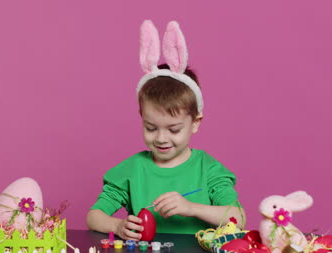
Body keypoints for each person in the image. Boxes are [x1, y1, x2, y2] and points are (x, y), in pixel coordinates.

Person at [86, 20, 245, 241]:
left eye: (174, 129)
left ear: (195, 123)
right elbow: (94, 216)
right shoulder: (133, 169)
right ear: (142, 118)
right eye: (151, 128)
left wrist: (191, 208)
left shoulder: (208, 169)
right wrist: (118, 225)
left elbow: (238, 217)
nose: (161, 138)